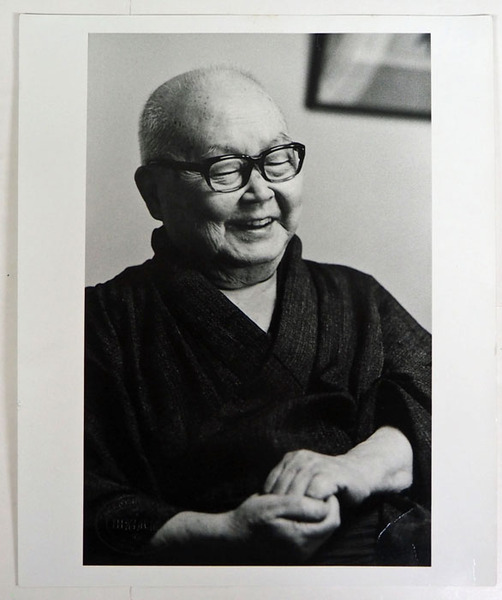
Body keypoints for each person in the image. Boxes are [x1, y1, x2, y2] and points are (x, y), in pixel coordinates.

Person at [83, 66, 431, 566]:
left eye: (277, 160)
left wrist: (359, 468)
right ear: (155, 193)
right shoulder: (102, 325)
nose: (261, 191)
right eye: (225, 169)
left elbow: (452, 406)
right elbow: (76, 501)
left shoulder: (356, 298)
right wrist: (222, 534)